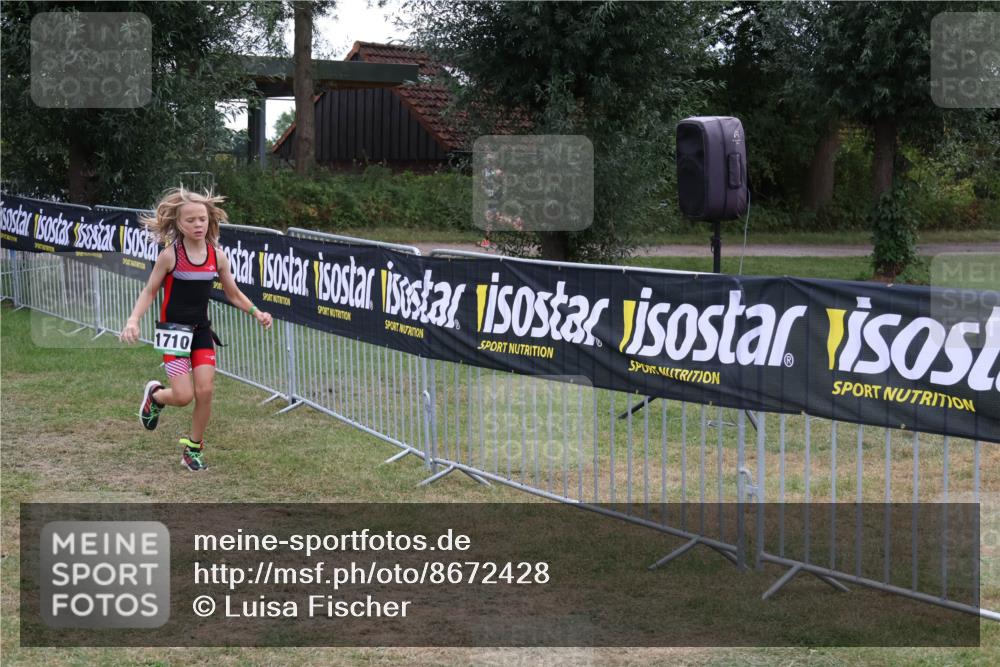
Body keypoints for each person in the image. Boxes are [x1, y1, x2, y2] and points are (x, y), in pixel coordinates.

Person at [119, 187, 272, 471]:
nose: (198, 224)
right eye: (190, 220)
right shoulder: (170, 256)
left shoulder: (218, 256)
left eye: (202, 219)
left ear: (210, 220)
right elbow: (150, 290)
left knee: (206, 391)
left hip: (201, 332)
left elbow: (234, 293)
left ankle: (193, 449)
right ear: (178, 223)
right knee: (183, 396)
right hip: (174, 332)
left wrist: (256, 312)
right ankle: (155, 396)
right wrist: (133, 320)